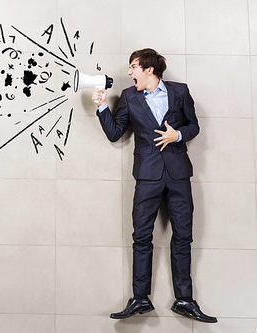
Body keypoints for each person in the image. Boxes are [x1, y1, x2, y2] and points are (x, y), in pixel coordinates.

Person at [93, 48, 216, 323]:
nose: (129, 73)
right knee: (141, 237)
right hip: (147, 176)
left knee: (183, 236)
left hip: (178, 173)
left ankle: (184, 299)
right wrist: (101, 106)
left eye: (133, 67)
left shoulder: (180, 92)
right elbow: (115, 133)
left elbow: (194, 126)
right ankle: (140, 298)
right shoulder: (128, 97)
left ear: (149, 69)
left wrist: (178, 135)